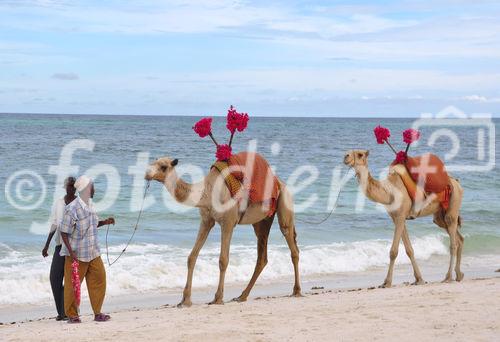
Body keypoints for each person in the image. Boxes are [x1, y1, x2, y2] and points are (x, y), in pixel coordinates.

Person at [60, 175, 115, 324]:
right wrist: (71, 254)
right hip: (77, 254)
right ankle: (72, 315)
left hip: (93, 252)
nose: (94, 189)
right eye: (92, 186)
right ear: (85, 189)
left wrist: (106, 222)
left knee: (99, 279)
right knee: (72, 286)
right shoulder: (71, 209)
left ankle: (97, 313)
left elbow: (93, 224)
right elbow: (63, 232)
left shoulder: (90, 204)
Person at [42, 176, 76, 321]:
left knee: (70, 281)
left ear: (76, 188)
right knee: (55, 279)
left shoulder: (79, 204)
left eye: (73, 186)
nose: (70, 188)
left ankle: (69, 312)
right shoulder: (59, 203)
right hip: (59, 246)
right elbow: (54, 224)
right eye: (68, 186)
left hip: (74, 249)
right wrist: (46, 245)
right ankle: (62, 311)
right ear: (65, 187)